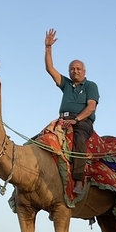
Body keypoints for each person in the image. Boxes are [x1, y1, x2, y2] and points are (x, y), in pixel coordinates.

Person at [44, 28, 100, 196]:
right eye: (72, 69)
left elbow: (91, 107)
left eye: (78, 69)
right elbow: (50, 69)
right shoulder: (66, 84)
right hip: (62, 120)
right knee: (42, 139)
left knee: (79, 141)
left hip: (82, 122)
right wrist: (48, 48)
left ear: (84, 72)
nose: (75, 71)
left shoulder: (90, 86)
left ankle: (78, 180)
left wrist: (76, 120)